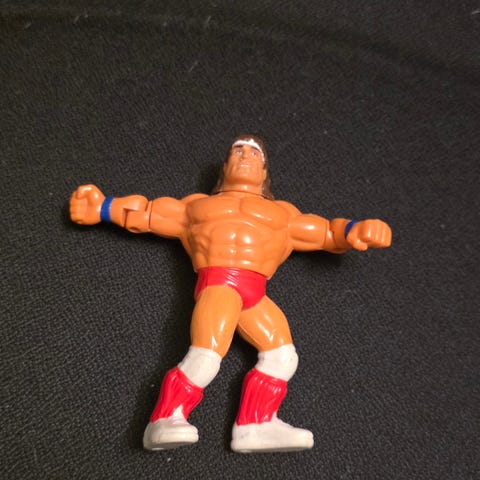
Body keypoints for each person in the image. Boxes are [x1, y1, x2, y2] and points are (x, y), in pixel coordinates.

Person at [70, 135, 392, 453]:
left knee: (282, 356)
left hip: (254, 294)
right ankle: (164, 419)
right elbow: (147, 213)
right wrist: (101, 207)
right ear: (225, 166)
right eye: (238, 150)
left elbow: (327, 233)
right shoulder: (197, 207)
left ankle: (255, 425)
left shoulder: (283, 215)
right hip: (219, 285)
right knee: (207, 356)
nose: (245, 156)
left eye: (254, 153)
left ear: (264, 171)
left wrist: (357, 229)